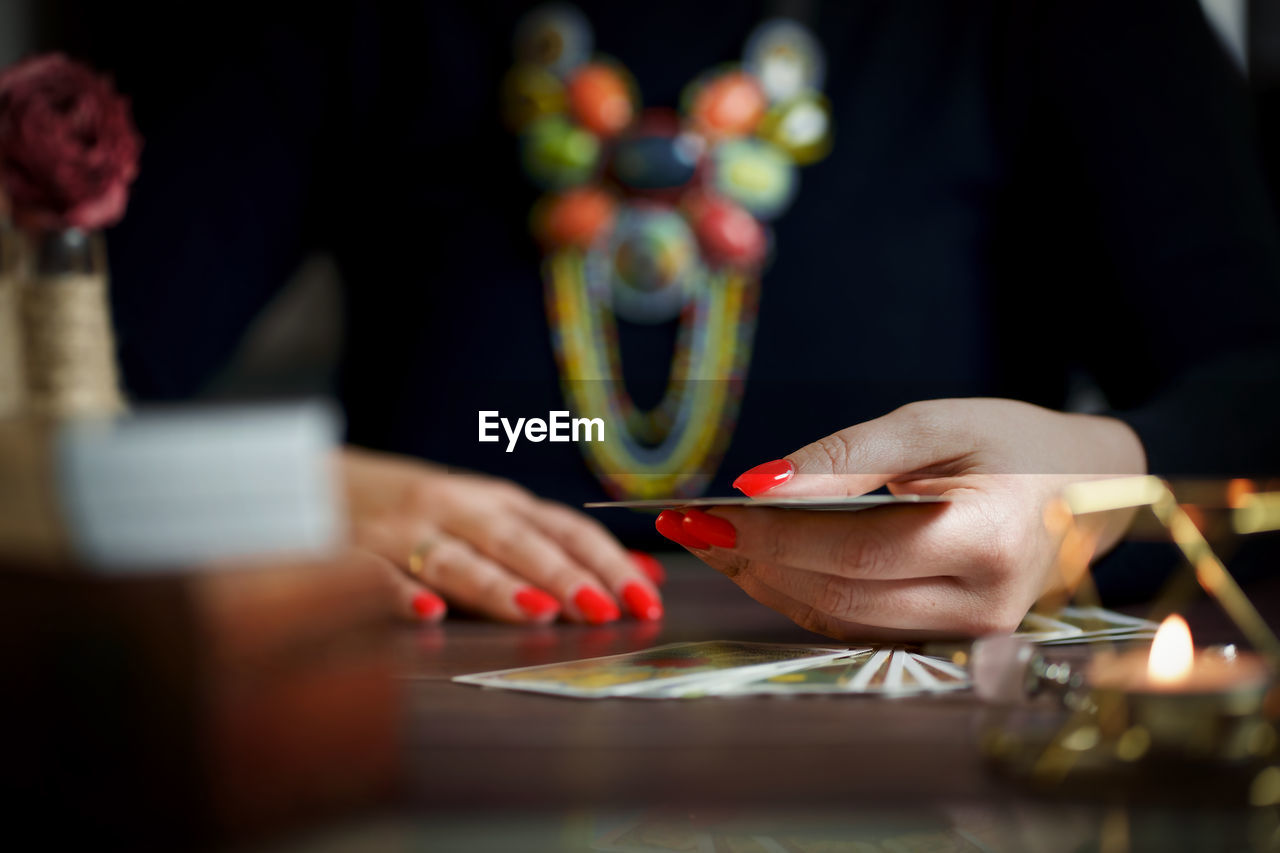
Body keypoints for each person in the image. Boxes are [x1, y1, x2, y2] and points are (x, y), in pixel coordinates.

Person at [60, 0, 1280, 636]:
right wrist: (288, 499)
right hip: (424, 740)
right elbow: (44, 402)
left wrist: (1090, 492)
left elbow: (1259, 382)